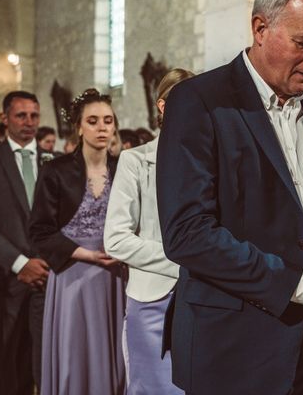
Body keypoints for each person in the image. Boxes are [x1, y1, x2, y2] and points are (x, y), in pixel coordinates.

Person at [157, 0, 303, 395]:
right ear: (260, 27)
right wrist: (302, 282)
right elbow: (187, 234)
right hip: (234, 340)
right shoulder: (200, 102)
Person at [29, 88, 126, 395]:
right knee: (75, 353)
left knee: (112, 351)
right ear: (79, 127)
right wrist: (87, 254)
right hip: (73, 273)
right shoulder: (55, 171)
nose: (102, 128)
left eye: (108, 121)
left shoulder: (124, 168)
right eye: (93, 121)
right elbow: (40, 230)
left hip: (115, 277)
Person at [104, 68, 193, 394]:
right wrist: (183, 260)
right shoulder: (135, 160)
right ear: (163, 106)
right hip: (153, 298)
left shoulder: (213, 161)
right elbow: (115, 239)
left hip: (204, 298)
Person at [0, 91, 48, 395]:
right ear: (5, 118)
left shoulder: (53, 162)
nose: (28, 122)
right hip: (4, 276)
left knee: (41, 356)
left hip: (47, 275)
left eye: (34, 115)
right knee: (4, 356)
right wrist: (21, 264)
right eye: (21, 115)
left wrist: (46, 262)